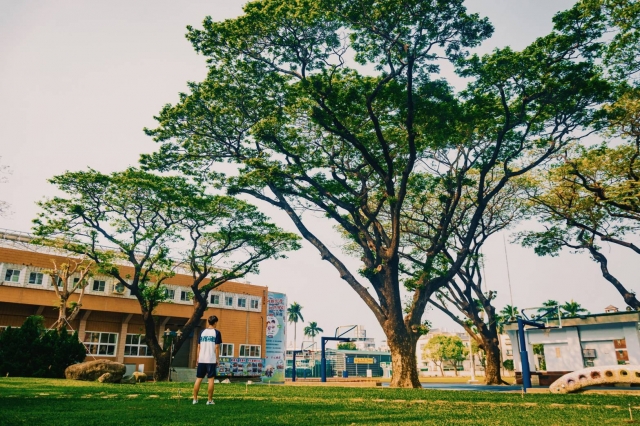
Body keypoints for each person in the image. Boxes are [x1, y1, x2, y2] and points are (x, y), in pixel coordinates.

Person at [193, 315, 222, 405]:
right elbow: (217, 347)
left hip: (202, 359)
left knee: (198, 379)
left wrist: (198, 357)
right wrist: (217, 359)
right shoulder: (216, 333)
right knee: (211, 380)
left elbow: (198, 346)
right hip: (211, 359)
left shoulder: (202, 332)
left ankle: (195, 399)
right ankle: (209, 400)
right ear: (215, 323)